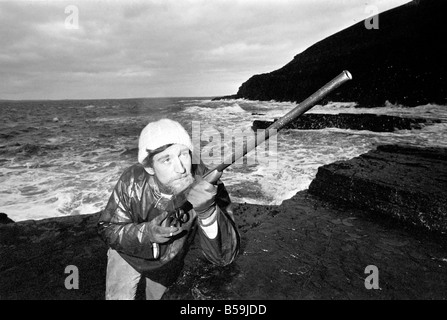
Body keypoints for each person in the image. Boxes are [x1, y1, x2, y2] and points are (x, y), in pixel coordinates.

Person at [97, 118, 240, 300]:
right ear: (149, 167)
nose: (181, 168)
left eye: (183, 154)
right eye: (166, 160)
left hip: (167, 261)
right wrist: (146, 233)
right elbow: (107, 227)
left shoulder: (205, 182)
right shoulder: (130, 180)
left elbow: (225, 257)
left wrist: (208, 212)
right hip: (127, 254)